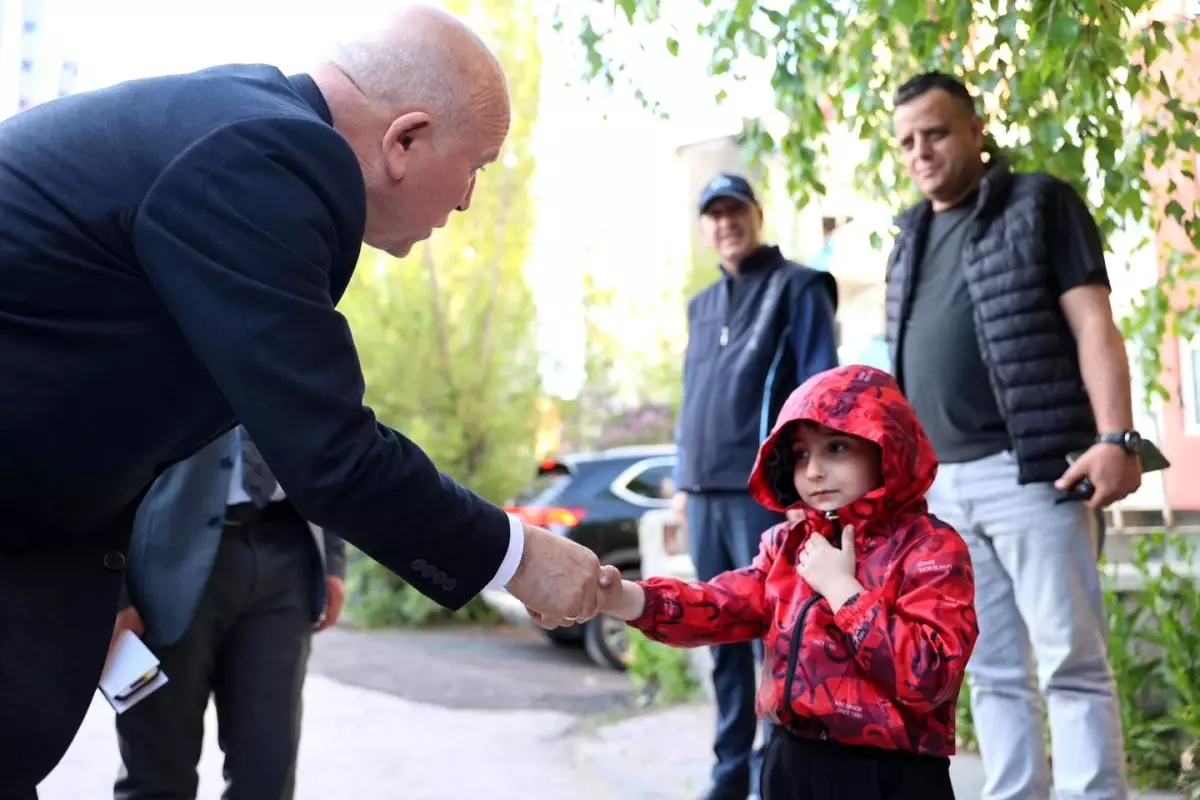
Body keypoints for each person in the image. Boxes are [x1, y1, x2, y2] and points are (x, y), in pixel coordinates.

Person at [0, 7, 606, 797]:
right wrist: (517, 557)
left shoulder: (241, 128)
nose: (465, 202)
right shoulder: (268, 156)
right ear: (406, 139)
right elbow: (331, 452)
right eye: (477, 166)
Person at [885, 71, 1143, 800]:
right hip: (944, 489)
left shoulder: (1039, 204)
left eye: (936, 132)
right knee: (991, 669)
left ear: (975, 130)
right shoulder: (909, 236)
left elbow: (1094, 321)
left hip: (1033, 473)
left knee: (1071, 661)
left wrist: (1117, 435)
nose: (921, 151)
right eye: (907, 141)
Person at [602, 365, 978, 800]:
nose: (814, 471)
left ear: (887, 447)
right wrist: (628, 598)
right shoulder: (790, 545)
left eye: (836, 448)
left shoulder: (930, 550)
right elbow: (720, 605)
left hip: (890, 775)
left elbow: (929, 676)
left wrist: (843, 590)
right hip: (790, 764)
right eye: (800, 454)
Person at [670, 173, 839, 800]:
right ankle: (728, 773)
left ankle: (780, 775)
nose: (724, 223)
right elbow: (692, 397)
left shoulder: (799, 287)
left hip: (766, 496)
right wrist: (683, 478)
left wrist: (809, 493)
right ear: (703, 226)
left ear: (757, 214)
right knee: (719, 635)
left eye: (734, 209)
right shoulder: (699, 305)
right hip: (704, 493)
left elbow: (824, 392)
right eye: (711, 213)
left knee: (780, 635)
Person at [113, 426, 346, 800]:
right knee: (156, 773)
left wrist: (332, 555)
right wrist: (116, 594)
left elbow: (329, 434)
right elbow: (103, 452)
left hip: (289, 555)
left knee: (267, 771)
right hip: (159, 568)